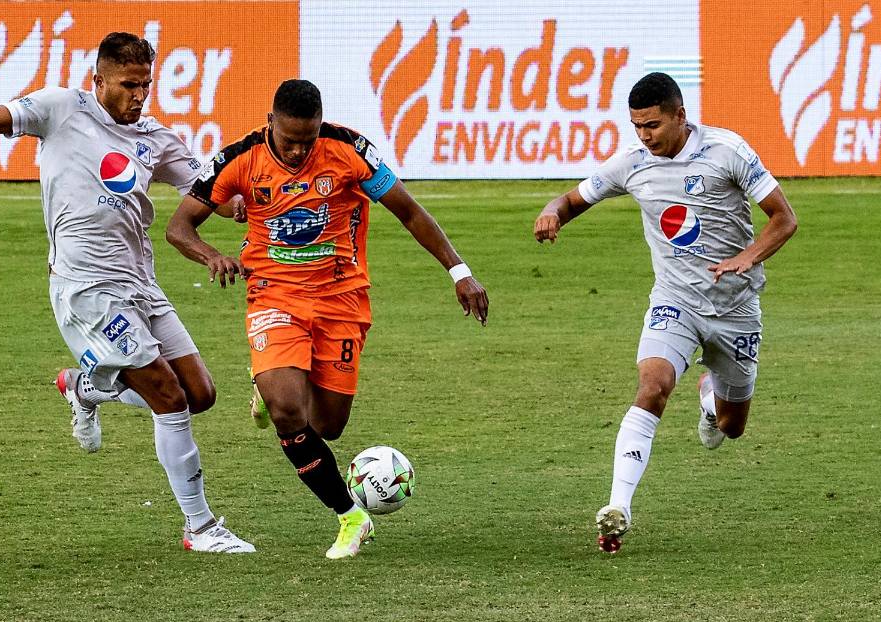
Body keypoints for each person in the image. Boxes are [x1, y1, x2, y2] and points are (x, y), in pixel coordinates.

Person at [0, 32, 255, 554]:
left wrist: (253, 200)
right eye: (128, 84)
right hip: (86, 287)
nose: (138, 95)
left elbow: (215, 195)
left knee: (200, 395)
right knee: (168, 398)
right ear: (98, 80)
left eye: (145, 84)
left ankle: (85, 387)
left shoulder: (157, 139)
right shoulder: (60, 109)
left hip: (142, 284)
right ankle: (200, 527)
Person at [165, 79, 489, 559]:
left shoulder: (349, 151)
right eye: (289, 140)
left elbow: (409, 211)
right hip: (274, 295)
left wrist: (460, 272)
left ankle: (271, 388)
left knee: (328, 425)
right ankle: (350, 516)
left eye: (308, 140)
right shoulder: (239, 159)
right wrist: (212, 255)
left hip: (342, 299)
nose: (298, 151)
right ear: (270, 122)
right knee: (288, 413)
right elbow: (179, 226)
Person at [532, 72, 798, 553]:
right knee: (652, 386)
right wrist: (552, 212)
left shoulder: (726, 151)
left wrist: (747, 257)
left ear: (680, 115)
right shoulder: (632, 164)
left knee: (731, 427)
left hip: (736, 308)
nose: (644, 136)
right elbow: (571, 199)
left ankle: (710, 400)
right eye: (637, 126)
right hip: (674, 302)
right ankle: (618, 507)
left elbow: (784, 219)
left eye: (652, 125)